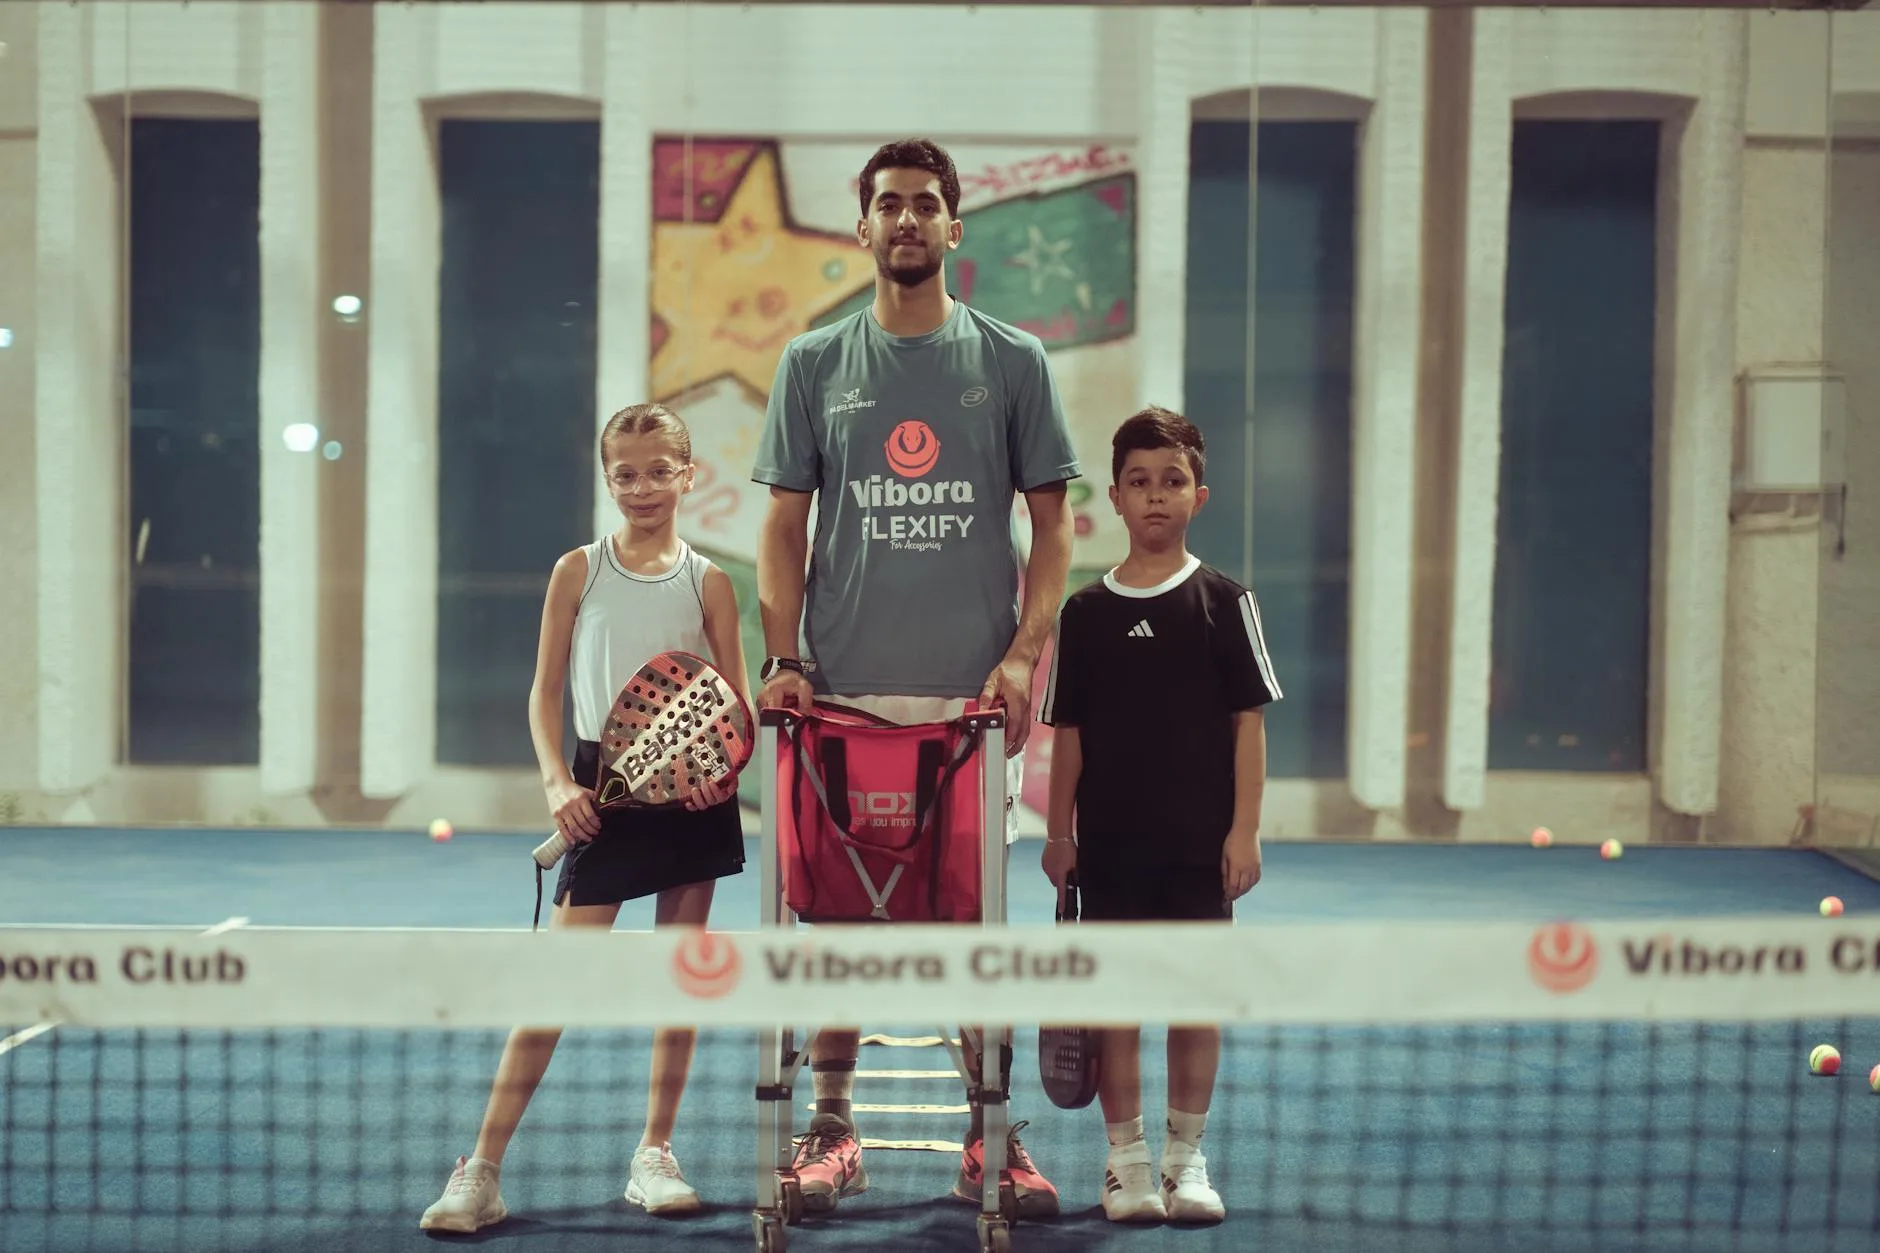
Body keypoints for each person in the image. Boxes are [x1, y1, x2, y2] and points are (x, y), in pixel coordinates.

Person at [751, 137, 1080, 1220]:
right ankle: (830, 1127)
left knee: (971, 925)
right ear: (863, 226)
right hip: (842, 694)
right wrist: (784, 657)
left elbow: (1053, 526)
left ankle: (991, 1136)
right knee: (839, 925)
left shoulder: (1014, 360)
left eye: (924, 203)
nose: (905, 218)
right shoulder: (811, 362)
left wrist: (1023, 653)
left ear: (952, 226)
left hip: (971, 703)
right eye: (887, 203)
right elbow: (783, 526)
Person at [419, 403, 750, 1233]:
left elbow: (733, 707)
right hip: (601, 784)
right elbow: (543, 693)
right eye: (625, 473)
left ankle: (655, 1153)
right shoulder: (579, 570)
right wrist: (557, 782)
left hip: (691, 795)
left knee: (679, 978)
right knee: (558, 982)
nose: (642, 486)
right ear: (608, 479)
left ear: (688, 475)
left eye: (659, 470)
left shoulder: (709, 582)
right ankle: (481, 1169)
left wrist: (718, 775)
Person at [1038, 405, 1281, 1225]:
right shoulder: (1084, 613)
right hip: (1110, 851)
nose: (1154, 495)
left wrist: (1244, 829)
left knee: (1194, 999)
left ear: (1197, 496)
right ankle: (1127, 1162)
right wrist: (1059, 833)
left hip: (1198, 851)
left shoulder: (1226, 601)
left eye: (1171, 481)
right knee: (1117, 1005)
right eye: (1138, 481)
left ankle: (1185, 1158)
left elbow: (1248, 726)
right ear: (1114, 496)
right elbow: (1069, 735)